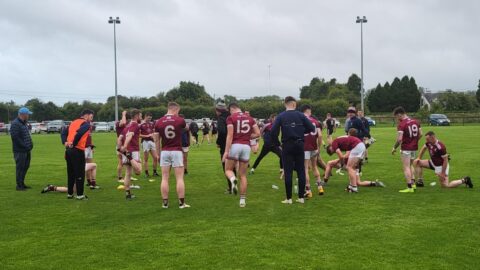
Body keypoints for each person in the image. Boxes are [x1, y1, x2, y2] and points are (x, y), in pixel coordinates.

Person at [270, 96, 315, 204]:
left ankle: (289, 198)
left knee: (288, 171)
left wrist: (277, 144)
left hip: (287, 145)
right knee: (301, 170)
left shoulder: (281, 116)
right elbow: (311, 128)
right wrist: (300, 131)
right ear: (294, 104)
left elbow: (273, 132)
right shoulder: (301, 115)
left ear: (285, 104)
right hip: (300, 144)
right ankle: (301, 198)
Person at [222, 103, 260, 207]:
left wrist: (226, 151)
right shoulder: (250, 118)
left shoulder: (231, 118)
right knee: (243, 175)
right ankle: (242, 201)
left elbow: (230, 135)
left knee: (228, 170)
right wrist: (247, 136)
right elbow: (258, 133)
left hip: (235, 145)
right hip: (246, 147)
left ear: (231, 109)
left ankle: (233, 179)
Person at [154, 102, 190, 209]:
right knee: (179, 178)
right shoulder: (179, 120)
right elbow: (187, 128)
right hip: (177, 151)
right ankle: (181, 203)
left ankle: (165, 203)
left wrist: (158, 153)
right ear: (176, 109)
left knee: (165, 178)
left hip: (164, 151)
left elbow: (156, 140)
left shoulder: (158, 122)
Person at [61, 109, 94, 200]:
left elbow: (63, 132)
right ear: (86, 116)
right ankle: (80, 195)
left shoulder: (73, 122)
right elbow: (79, 133)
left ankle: (70, 194)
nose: (91, 119)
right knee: (79, 173)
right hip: (77, 150)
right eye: (91, 117)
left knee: (70, 173)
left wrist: (65, 142)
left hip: (68, 150)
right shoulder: (86, 124)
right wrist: (74, 143)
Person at [391, 106, 423, 193]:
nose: (397, 119)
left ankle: (409, 187)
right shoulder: (416, 121)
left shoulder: (402, 124)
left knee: (406, 167)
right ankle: (413, 184)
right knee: (411, 165)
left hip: (406, 148)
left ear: (400, 114)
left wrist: (394, 147)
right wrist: (414, 141)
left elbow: (399, 139)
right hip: (414, 148)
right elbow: (421, 134)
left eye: (397, 117)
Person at [118, 109, 143, 199]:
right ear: (136, 116)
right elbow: (130, 136)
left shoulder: (127, 126)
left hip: (127, 151)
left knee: (128, 173)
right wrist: (124, 147)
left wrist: (119, 148)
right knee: (139, 171)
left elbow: (120, 138)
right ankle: (130, 157)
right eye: (140, 115)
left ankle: (128, 194)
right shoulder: (135, 124)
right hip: (133, 151)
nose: (141, 117)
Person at [301, 105, 325, 197]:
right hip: (314, 147)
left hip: (305, 148)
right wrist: (318, 148)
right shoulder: (316, 122)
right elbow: (320, 136)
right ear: (308, 111)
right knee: (315, 167)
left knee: (305, 169)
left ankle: (308, 190)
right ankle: (320, 188)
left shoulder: (301, 120)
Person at [10, 107, 34, 191]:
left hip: (26, 150)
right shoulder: (15, 123)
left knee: (25, 167)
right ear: (23, 114)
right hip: (20, 151)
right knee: (20, 168)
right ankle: (19, 186)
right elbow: (15, 138)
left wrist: (30, 145)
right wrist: (25, 146)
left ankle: (22, 183)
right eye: (28, 114)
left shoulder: (24, 123)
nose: (28, 116)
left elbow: (26, 135)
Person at [215, 100, 233, 193]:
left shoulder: (221, 118)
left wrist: (218, 142)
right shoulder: (231, 116)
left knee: (226, 167)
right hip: (236, 143)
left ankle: (231, 187)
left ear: (218, 110)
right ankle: (236, 184)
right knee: (234, 166)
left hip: (226, 145)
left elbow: (222, 132)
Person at [140, 112, 159, 177]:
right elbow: (139, 135)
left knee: (156, 157)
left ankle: (154, 172)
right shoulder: (141, 124)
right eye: (148, 118)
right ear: (145, 116)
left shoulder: (152, 124)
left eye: (150, 118)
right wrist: (147, 136)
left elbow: (153, 132)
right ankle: (146, 173)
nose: (149, 119)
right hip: (145, 142)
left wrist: (153, 135)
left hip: (152, 141)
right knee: (146, 159)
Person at [84, 125, 99, 189]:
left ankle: (90, 182)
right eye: (91, 116)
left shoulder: (89, 126)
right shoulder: (83, 125)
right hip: (84, 148)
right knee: (83, 165)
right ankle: (89, 182)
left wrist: (91, 147)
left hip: (89, 147)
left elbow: (90, 137)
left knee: (90, 165)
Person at [115, 110, 128, 181]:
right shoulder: (118, 124)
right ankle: (120, 177)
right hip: (120, 145)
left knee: (127, 162)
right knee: (121, 162)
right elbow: (123, 122)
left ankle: (127, 176)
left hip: (125, 145)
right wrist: (124, 114)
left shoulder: (125, 125)